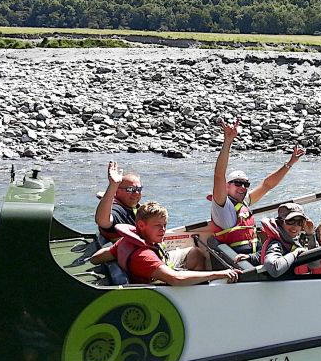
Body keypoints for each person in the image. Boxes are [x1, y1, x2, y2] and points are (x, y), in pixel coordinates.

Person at [208, 118, 305, 257]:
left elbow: (267, 185)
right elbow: (218, 175)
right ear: (226, 186)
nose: (242, 187)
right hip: (235, 263)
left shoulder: (243, 202)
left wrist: (290, 163)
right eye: (237, 183)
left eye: (246, 184)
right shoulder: (222, 206)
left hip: (252, 258)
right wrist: (228, 142)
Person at [90, 202, 239, 286]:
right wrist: (219, 274)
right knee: (193, 269)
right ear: (141, 225)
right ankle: (198, 291)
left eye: (165, 225)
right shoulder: (144, 256)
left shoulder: (125, 241)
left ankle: (198, 283)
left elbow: (96, 258)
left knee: (196, 253)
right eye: (157, 226)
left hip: (157, 264)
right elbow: (175, 278)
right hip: (159, 282)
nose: (163, 230)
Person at [257, 203, 313, 278]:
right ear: (280, 223)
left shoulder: (296, 241)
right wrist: (295, 253)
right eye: (290, 221)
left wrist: (310, 234)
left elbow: (315, 264)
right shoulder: (276, 244)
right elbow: (274, 268)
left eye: (300, 222)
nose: (295, 226)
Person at [95, 161, 142, 242]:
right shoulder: (117, 210)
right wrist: (113, 185)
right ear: (117, 191)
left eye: (139, 189)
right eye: (131, 189)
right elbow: (103, 221)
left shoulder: (136, 208)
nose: (137, 193)